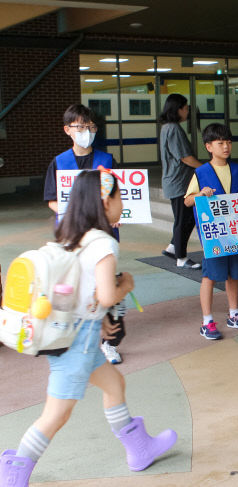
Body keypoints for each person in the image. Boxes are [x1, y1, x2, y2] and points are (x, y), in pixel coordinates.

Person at [0, 171, 178, 486]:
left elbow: (85, 292)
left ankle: (139, 449)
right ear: (104, 202)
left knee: (113, 385)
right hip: (77, 343)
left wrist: (103, 317)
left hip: (71, 332)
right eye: (120, 197)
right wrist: (125, 285)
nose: (122, 203)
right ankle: (16, 468)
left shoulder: (72, 236)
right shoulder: (104, 241)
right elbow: (107, 294)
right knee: (57, 413)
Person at [43, 103, 126, 365]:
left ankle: (109, 342)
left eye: (90, 126)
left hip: (104, 233)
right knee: (78, 285)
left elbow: (120, 195)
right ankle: (76, 336)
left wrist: (122, 214)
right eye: (80, 126)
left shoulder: (107, 160)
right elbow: (51, 200)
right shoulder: (59, 162)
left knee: (106, 282)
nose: (86, 131)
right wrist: (72, 215)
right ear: (68, 130)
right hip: (74, 235)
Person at [184, 123, 238, 340]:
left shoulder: (237, 169)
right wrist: (200, 195)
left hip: (234, 231)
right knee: (211, 276)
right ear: (209, 147)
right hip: (213, 233)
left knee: (234, 274)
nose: (226, 146)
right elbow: (187, 201)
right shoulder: (201, 172)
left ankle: (234, 314)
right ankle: (207, 321)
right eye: (220, 143)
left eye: (229, 142)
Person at [159, 94, 203, 270]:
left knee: (187, 218)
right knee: (183, 220)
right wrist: (204, 168)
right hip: (179, 183)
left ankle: (172, 247)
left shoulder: (167, 127)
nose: (187, 112)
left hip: (176, 181)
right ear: (177, 109)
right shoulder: (173, 129)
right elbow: (185, 157)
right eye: (185, 108)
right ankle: (181, 258)